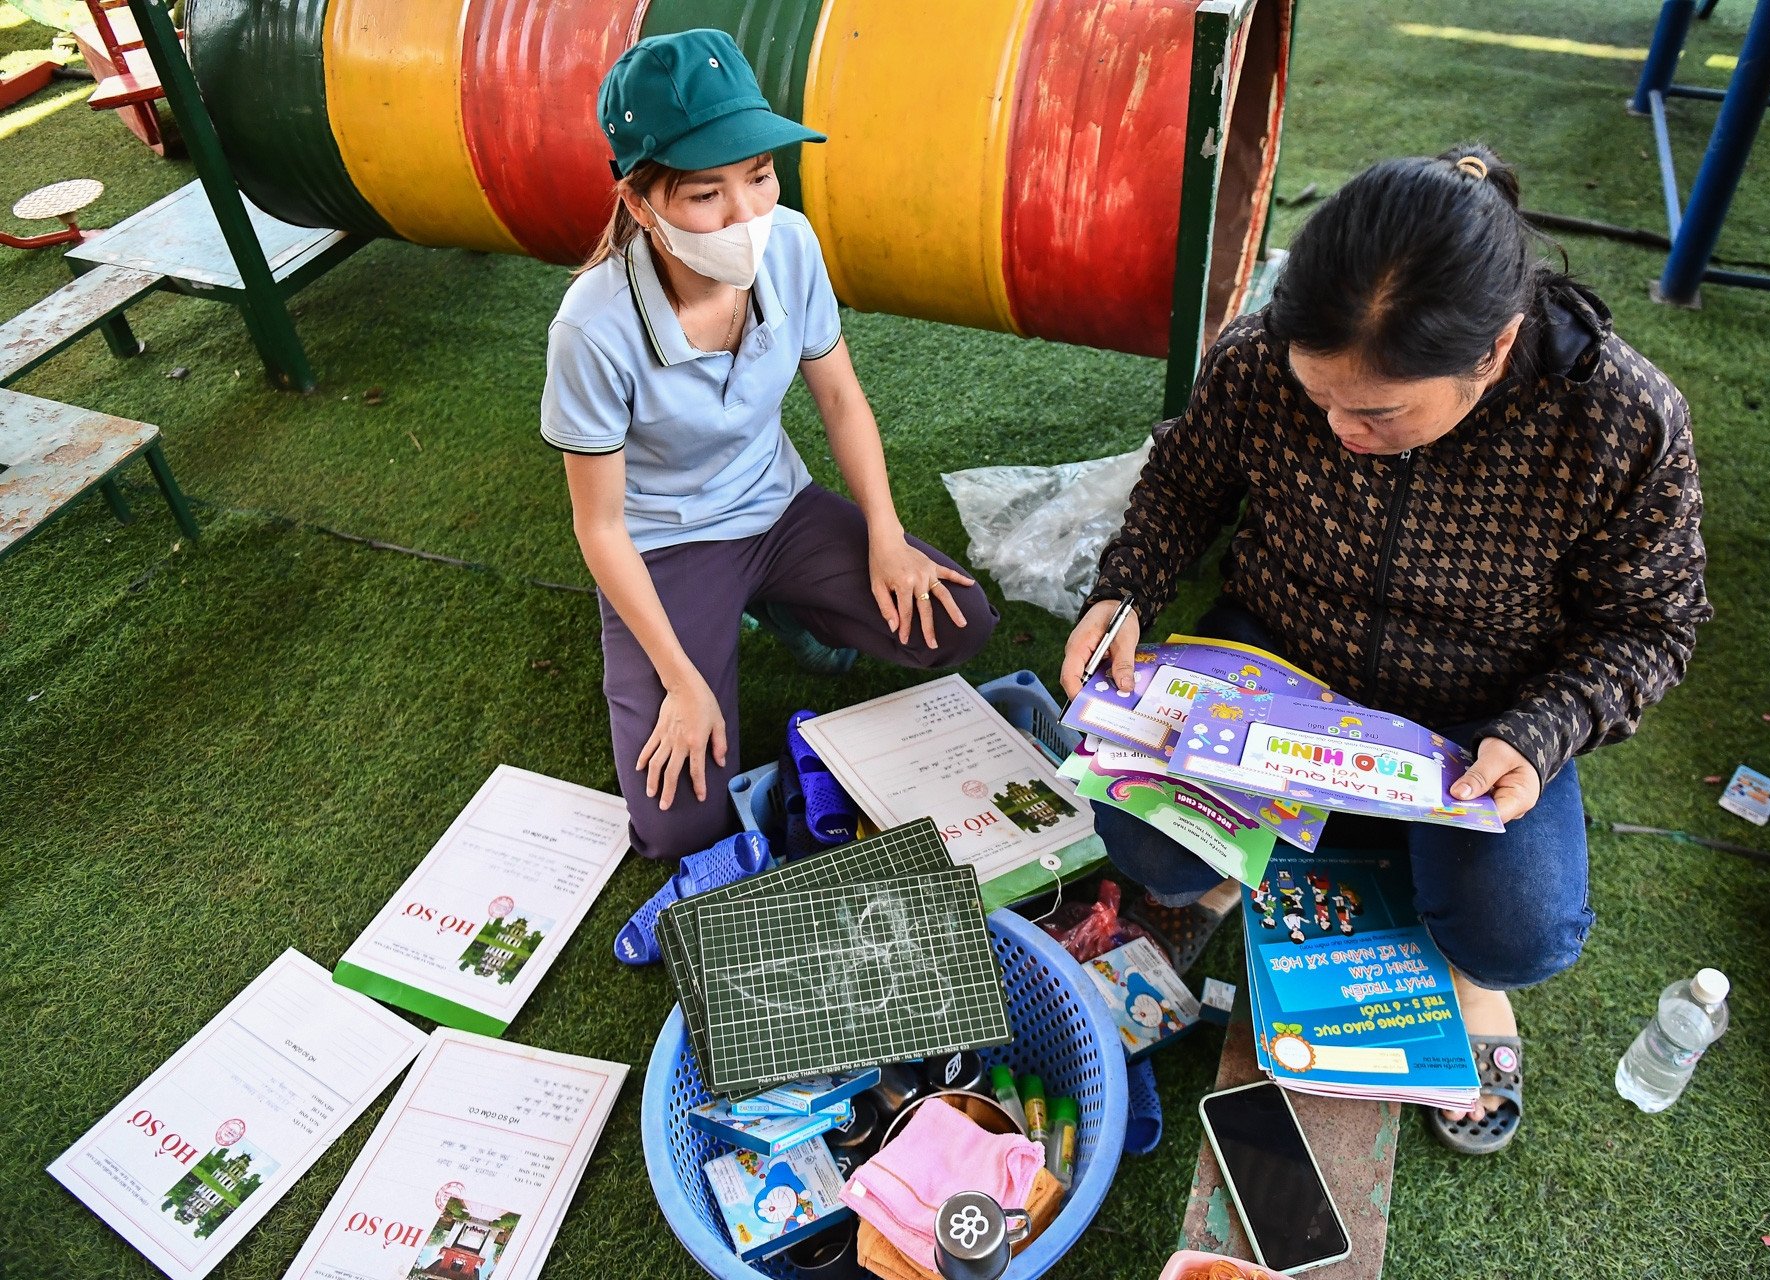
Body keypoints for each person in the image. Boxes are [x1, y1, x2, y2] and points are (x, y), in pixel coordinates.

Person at [1061, 144, 1710, 1155]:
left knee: (1520, 933)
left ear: (1491, 352)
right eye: (1318, 396)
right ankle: (1259, 857)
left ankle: (1421, 929)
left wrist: (1538, 733)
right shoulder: (1258, 353)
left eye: (1376, 412)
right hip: (1276, 665)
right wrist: (1126, 589)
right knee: (1145, 847)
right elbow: (1182, 485)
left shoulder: (1615, 416)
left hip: (1477, 709)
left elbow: (1653, 622)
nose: (1339, 429)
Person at [545, 29, 997, 863]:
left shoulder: (790, 241)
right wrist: (682, 683)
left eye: (758, 175)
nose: (749, 215)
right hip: (667, 544)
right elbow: (600, 529)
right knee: (677, 827)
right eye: (705, 194)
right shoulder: (590, 328)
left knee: (956, 622)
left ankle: (783, 600)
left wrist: (888, 538)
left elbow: (839, 396)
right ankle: (719, 631)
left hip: (776, 506)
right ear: (642, 205)